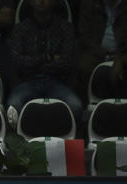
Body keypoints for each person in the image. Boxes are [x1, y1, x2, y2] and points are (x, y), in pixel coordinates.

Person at [6, 0, 82, 129]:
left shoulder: (66, 27)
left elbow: (67, 62)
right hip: (27, 82)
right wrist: (48, 58)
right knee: (12, 106)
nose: (41, 1)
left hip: (58, 82)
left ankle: (56, 136)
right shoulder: (20, 29)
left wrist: (32, 62)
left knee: (76, 106)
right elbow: (17, 62)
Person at [76, 0, 127, 103]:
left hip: (125, 52)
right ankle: (86, 108)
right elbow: (84, 35)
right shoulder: (89, 3)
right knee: (82, 66)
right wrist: (105, 55)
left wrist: (122, 59)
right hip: (96, 51)